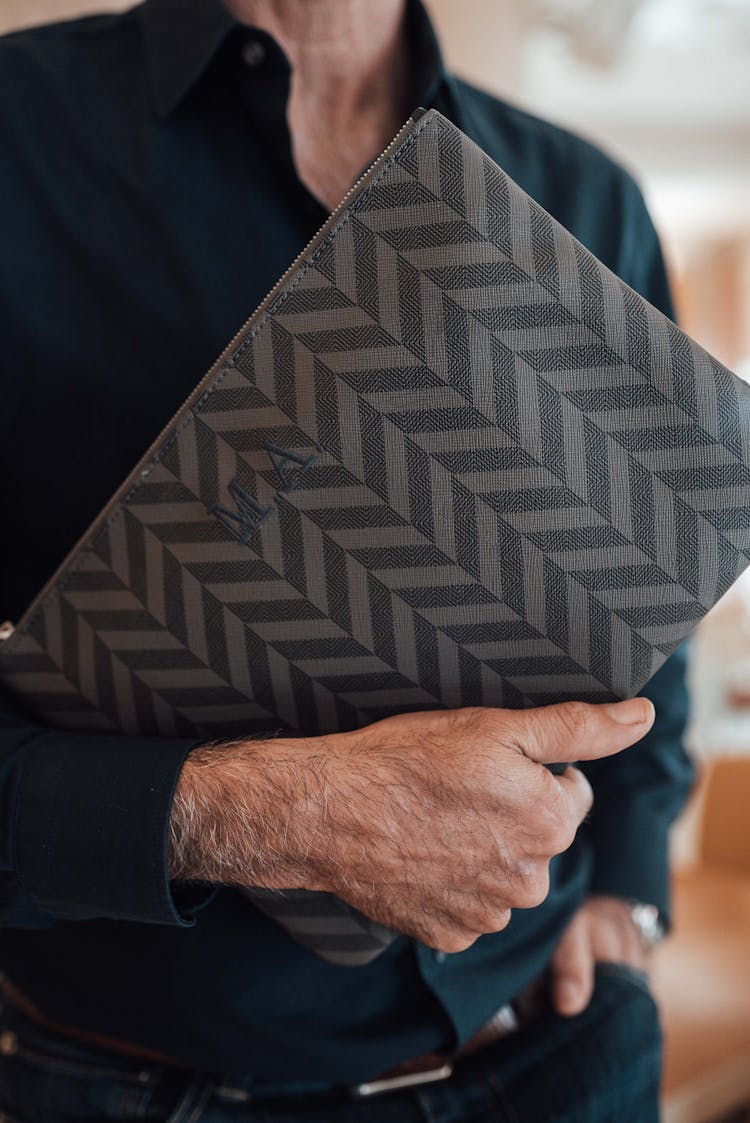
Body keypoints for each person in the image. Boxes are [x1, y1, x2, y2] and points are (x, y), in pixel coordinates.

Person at [0, 1, 693, 1120]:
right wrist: (282, 813)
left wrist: (631, 885)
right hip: (154, 1089)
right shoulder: (18, 138)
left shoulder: (586, 194)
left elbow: (654, 616)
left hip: (562, 1057)